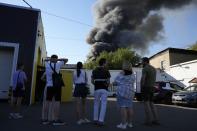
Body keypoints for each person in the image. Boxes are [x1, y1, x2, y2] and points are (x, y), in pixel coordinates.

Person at [42, 54, 68, 125]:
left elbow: (44, 59)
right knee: (57, 103)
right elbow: (66, 60)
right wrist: (58, 60)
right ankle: (56, 120)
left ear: (50, 58)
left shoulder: (47, 64)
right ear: (56, 59)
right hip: (57, 86)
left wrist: (51, 59)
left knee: (47, 102)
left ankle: (45, 120)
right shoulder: (58, 64)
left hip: (49, 86)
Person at [114, 61, 135, 129]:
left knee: (123, 107)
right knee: (129, 107)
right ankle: (130, 123)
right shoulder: (132, 74)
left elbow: (115, 81)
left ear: (124, 67)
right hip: (130, 92)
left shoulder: (121, 73)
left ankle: (123, 124)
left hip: (122, 92)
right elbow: (133, 81)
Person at [91, 58, 111, 126]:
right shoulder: (106, 70)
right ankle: (101, 121)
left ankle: (95, 119)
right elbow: (108, 81)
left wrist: (96, 84)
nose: (107, 63)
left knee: (96, 104)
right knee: (103, 105)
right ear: (103, 63)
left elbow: (92, 81)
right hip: (104, 89)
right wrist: (106, 85)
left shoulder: (94, 70)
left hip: (96, 89)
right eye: (106, 62)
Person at [140, 57, 160, 126]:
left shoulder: (145, 68)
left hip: (146, 88)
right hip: (152, 87)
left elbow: (143, 79)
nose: (141, 63)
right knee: (152, 103)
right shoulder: (153, 68)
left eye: (142, 61)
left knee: (146, 104)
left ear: (145, 62)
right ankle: (156, 120)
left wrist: (141, 87)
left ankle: (148, 121)